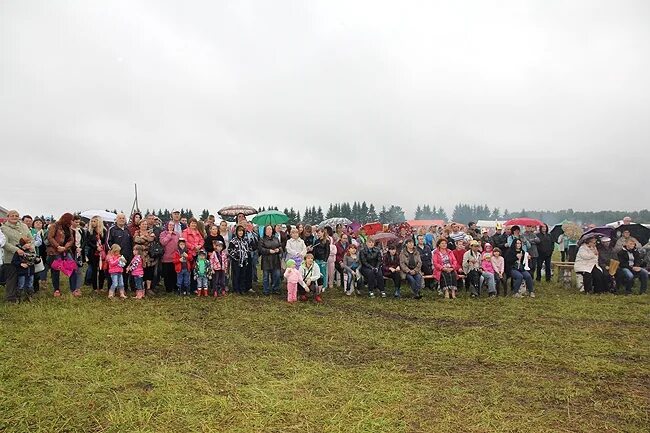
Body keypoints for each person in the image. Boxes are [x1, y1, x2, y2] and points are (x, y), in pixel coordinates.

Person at [1, 210, 34, 303]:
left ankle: (26, 296)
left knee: (27, 276)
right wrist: (17, 249)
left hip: (26, 256)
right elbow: (4, 243)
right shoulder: (4, 228)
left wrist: (30, 246)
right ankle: (11, 298)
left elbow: (31, 238)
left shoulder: (24, 226)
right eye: (12, 215)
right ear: (7, 217)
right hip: (11, 257)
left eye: (17, 215)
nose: (14, 217)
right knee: (12, 278)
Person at [47, 213, 79, 298]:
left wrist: (65, 247)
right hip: (55, 251)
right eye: (71, 220)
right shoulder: (54, 226)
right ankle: (56, 289)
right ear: (66, 219)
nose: (72, 222)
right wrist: (58, 246)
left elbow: (71, 240)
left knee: (72, 268)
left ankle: (74, 289)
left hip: (65, 251)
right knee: (55, 270)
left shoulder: (69, 229)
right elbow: (50, 237)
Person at [106, 213, 133, 292]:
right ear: (116, 219)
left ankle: (124, 289)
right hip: (115, 257)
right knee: (113, 273)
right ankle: (112, 290)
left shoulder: (127, 229)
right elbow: (108, 242)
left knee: (125, 273)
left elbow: (131, 242)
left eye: (123, 218)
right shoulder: (112, 229)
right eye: (120, 218)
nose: (122, 220)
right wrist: (112, 254)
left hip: (126, 256)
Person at [134, 220, 158, 296]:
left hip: (149, 255)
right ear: (139, 225)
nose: (144, 225)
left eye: (145, 224)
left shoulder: (150, 232)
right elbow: (136, 240)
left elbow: (151, 239)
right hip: (140, 256)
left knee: (149, 271)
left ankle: (148, 288)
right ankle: (142, 288)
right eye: (143, 224)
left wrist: (143, 238)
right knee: (141, 271)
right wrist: (146, 238)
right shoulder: (137, 232)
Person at [85, 215, 107, 293]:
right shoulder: (89, 231)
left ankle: (101, 287)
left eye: (95, 221)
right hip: (93, 253)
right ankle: (94, 288)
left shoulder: (104, 231)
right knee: (94, 270)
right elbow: (88, 242)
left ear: (99, 222)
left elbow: (105, 241)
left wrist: (102, 247)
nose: (93, 223)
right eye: (92, 221)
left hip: (102, 253)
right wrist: (95, 247)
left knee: (102, 270)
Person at [259, 225, 283, 296]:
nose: (269, 231)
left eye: (270, 229)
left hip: (275, 260)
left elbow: (280, 247)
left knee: (277, 275)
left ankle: (275, 288)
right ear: (265, 231)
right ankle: (266, 290)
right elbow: (260, 249)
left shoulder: (276, 238)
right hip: (266, 260)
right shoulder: (262, 239)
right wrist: (268, 251)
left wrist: (278, 249)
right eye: (267, 229)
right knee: (266, 277)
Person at [228, 225, 252, 295]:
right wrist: (236, 256)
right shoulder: (233, 241)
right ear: (236, 232)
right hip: (236, 261)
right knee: (236, 275)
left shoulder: (245, 241)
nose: (240, 232)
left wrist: (246, 254)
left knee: (243, 274)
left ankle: (242, 288)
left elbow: (248, 249)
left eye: (242, 231)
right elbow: (230, 250)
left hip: (244, 261)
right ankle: (236, 289)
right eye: (239, 231)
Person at [160, 221, 180, 292]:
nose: (171, 226)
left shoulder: (177, 234)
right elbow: (163, 242)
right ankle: (168, 289)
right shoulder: (163, 234)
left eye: (172, 225)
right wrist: (169, 235)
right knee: (167, 274)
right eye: (170, 225)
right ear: (167, 225)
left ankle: (175, 287)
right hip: (166, 257)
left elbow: (179, 244)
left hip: (174, 257)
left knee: (174, 273)